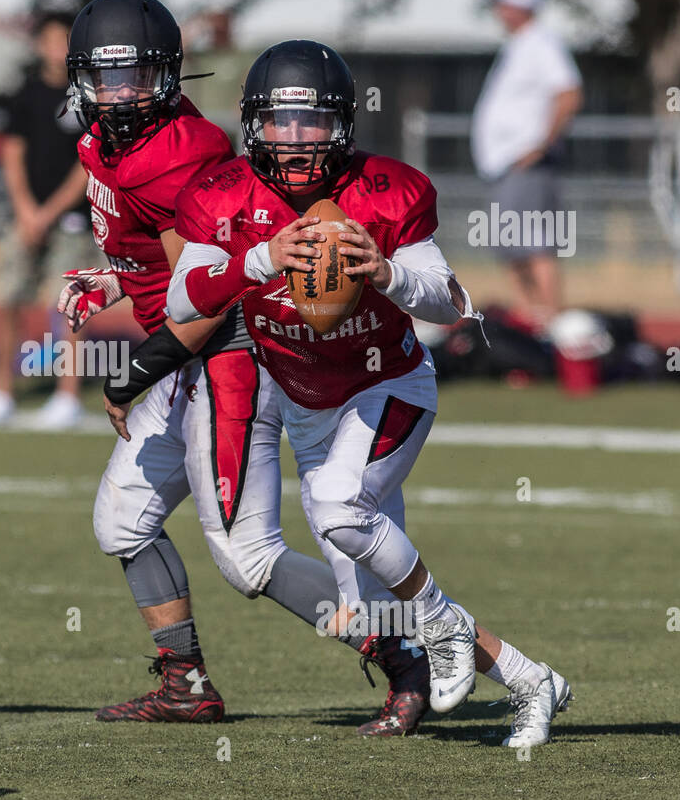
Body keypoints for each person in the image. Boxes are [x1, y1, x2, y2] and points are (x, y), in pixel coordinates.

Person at [168, 40, 572, 745]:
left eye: (313, 122)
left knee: (334, 508)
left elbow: (452, 302)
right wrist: (260, 258)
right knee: (377, 610)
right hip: (306, 407)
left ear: (344, 124)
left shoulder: (386, 190)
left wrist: (386, 274)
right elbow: (181, 301)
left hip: (388, 386)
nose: (295, 140)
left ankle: (444, 625)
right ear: (251, 123)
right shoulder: (222, 195)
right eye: (280, 122)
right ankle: (533, 679)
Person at [64, 0, 428, 731]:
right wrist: (112, 280)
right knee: (123, 522)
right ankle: (185, 682)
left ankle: (401, 650)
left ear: (167, 77)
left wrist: (134, 372)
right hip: (186, 350)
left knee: (248, 559)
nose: (120, 94)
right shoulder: (102, 144)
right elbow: (162, 264)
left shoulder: (180, 157)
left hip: (221, 356)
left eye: (136, 76)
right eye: (106, 78)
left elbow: (205, 294)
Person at [0, 10, 93, 430]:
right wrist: (27, 211)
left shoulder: (89, 98)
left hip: (71, 219)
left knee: (70, 305)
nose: (58, 49)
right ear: (38, 45)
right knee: (9, 299)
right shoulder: (24, 96)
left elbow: (88, 164)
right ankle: (1, 391)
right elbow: (12, 154)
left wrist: (49, 213)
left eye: (66, 41)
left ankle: (67, 396)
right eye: (51, 40)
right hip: (23, 218)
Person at [470, 0, 582, 331]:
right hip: (506, 166)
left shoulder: (541, 43)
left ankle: (554, 328)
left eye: (504, 3)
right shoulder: (519, 45)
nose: (499, 10)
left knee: (534, 245)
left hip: (525, 166)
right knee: (511, 246)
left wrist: (540, 146)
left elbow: (568, 93)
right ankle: (533, 323)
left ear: (518, 6)